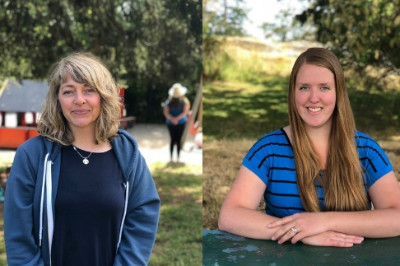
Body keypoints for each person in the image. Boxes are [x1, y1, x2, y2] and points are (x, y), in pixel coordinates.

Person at [218, 47, 400, 247]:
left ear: (339, 92)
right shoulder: (268, 150)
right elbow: (230, 216)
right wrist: (301, 233)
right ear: (293, 92)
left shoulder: (366, 150)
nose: (314, 98)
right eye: (304, 87)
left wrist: (322, 222)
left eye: (324, 87)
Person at [4, 52, 161, 265]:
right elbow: (18, 236)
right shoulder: (32, 155)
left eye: (89, 90)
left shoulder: (127, 154)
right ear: (57, 99)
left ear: (103, 96)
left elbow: (143, 217)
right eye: (69, 91)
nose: (80, 100)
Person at [163, 83, 190, 162]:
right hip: (181, 123)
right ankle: (178, 158)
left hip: (170, 123)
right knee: (178, 140)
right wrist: (177, 119)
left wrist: (172, 119)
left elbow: (166, 113)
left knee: (172, 139)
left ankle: (171, 158)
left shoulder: (168, 102)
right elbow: (185, 113)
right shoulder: (184, 102)